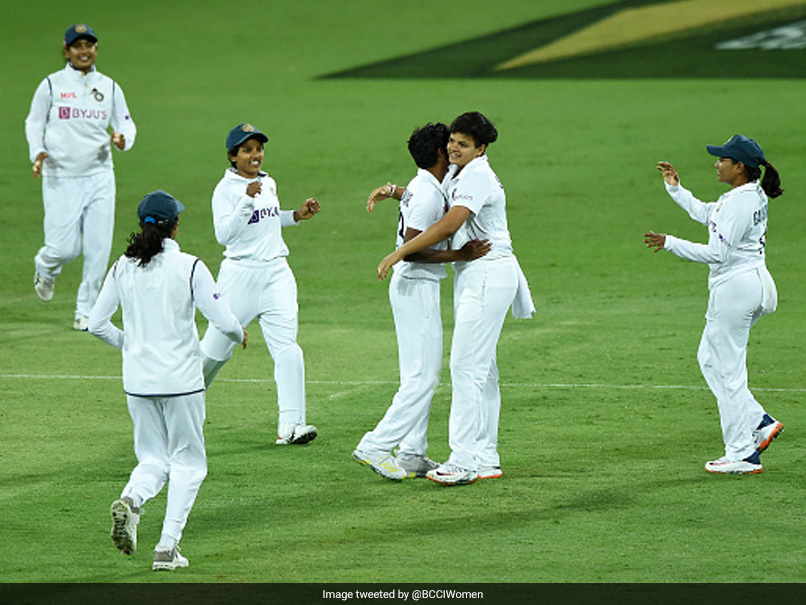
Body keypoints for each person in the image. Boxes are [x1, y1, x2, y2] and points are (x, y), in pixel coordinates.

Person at [88, 190, 247, 570]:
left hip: (138, 383)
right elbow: (223, 322)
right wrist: (240, 333)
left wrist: (129, 344)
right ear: (175, 226)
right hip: (181, 382)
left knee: (153, 458)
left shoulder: (122, 267)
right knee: (189, 464)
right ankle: (166, 548)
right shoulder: (190, 266)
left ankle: (132, 499)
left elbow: (96, 324)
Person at [377, 112, 535, 486]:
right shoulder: (461, 172)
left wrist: (399, 252)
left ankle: (463, 461)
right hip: (481, 274)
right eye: (453, 141)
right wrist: (395, 191)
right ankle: (486, 455)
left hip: (486, 274)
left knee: (465, 367)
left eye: (464, 144)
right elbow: (439, 196)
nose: (454, 148)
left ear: (481, 149)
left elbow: (449, 224)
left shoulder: (476, 174)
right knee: (484, 369)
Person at [352, 123, 491, 481]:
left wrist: (390, 190)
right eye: (450, 143)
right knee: (422, 378)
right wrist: (459, 253)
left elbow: (421, 199)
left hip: (416, 288)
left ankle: (413, 453)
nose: (454, 147)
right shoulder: (428, 193)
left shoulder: (423, 184)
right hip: (415, 287)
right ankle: (376, 445)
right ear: (442, 154)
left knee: (418, 375)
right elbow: (411, 252)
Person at [643, 134, 784, 474]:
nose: (716, 163)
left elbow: (718, 252)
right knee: (709, 358)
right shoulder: (745, 195)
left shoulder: (741, 200)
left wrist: (670, 243)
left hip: (736, 288)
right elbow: (711, 214)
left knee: (728, 370)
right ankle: (759, 421)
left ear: (740, 167)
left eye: (723, 159)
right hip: (754, 282)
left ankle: (741, 453)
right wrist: (676, 190)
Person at [199, 123, 320, 445]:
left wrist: (296, 215)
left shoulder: (268, 182)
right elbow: (224, 234)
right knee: (215, 351)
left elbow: (268, 218)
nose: (256, 155)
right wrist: (244, 201)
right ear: (232, 156)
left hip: (276, 273)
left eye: (258, 149)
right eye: (247, 150)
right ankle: (177, 407)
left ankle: (292, 427)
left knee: (288, 349)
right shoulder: (225, 190)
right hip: (239, 277)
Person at [25, 23, 137, 331]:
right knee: (64, 249)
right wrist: (38, 152)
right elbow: (34, 123)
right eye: (78, 46)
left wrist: (123, 139)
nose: (84, 51)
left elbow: (127, 124)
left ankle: (86, 310)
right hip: (61, 175)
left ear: (96, 50)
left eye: (89, 45)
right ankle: (46, 267)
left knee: (99, 249)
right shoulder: (51, 85)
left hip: (100, 175)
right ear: (67, 51)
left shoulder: (110, 87)